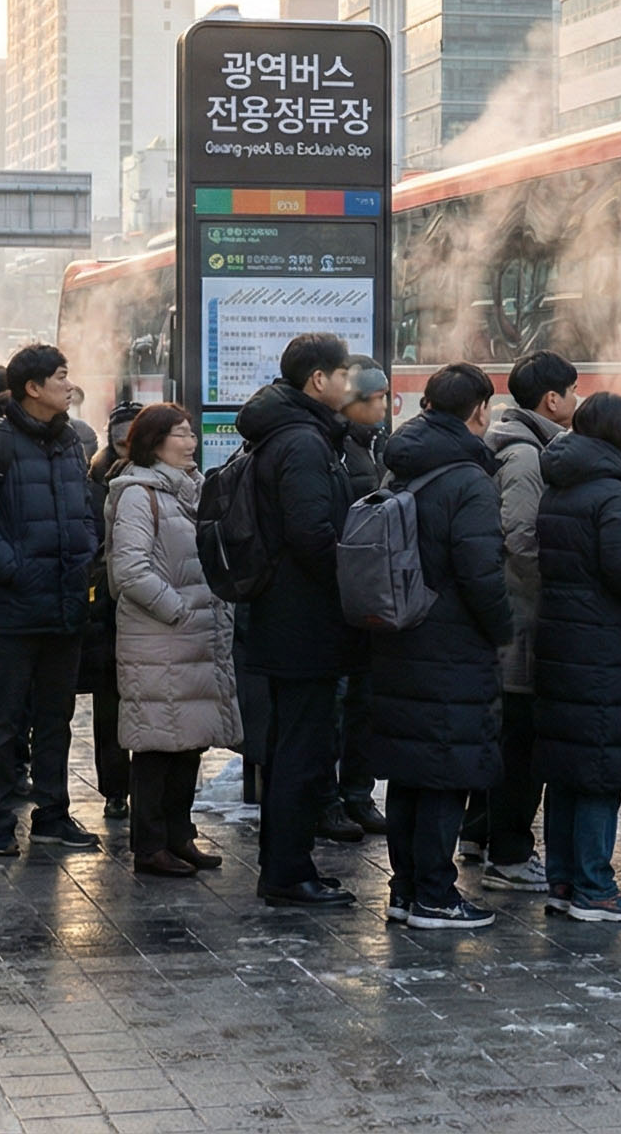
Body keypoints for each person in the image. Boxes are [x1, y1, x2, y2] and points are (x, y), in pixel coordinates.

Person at [367, 363, 512, 929]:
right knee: (447, 771)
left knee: (410, 771)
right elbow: (481, 573)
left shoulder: (401, 464)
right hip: (452, 644)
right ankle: (434, 894)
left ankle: (405, 890)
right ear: (479, 411)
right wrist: (501, 629)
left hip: (400, 633)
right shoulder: (469, 480)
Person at [0, 344, 104, 856]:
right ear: (32, 388)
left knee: (56, 718)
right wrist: (14, 570)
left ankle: (52, 814)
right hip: (10, 609)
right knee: (3, 718)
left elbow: (85, 511)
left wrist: (84, 556)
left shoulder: (71, 441)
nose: (69, 385)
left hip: (64, 601)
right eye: (61, 376)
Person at [532, 392, 621, 924]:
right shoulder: (611, 493)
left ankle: (562, 881)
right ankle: (594, 888)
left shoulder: (559, 484)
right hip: (602, 647)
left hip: (561, 640)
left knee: (566, 768)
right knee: (598, 767)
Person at [237, 333, 364, 907]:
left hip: (286, 615)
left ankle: (286, 865)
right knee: (301, 750)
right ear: (318, 380)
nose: (349, 385)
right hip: (304, 619)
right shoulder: (304, 442)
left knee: (293, 744)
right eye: (343, 374)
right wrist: (353, 579)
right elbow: (312, 535)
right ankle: (288, 872)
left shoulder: (288, 432)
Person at [106, 404, 239, 878]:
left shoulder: (190, 489)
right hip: (159, 638)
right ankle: (150, 845)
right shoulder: (138, 494)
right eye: (181, 434)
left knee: (190, 740)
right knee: (156, 744)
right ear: (154, 442)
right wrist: (177, 609)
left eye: (191, 433)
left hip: (194, 637)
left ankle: (181, 836)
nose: (191, 442)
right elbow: (130, 570)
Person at [465, 349, 577, 890]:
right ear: (552, 400)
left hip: (505, 613)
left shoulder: (508, 442)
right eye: (571, 392)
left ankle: (477, 834)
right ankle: (508, 854)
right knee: (520, 739)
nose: (576, 401)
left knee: (504, 733)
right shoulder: (529, 457)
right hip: (521, 620)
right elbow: (523, 540)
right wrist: (561, 584)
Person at [324, 359, 393, 841]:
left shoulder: (379, 445)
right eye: (379, 398)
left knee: (364, 701)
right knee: (336, 702)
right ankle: (327, 799)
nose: (386, 407)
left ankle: (357, 793)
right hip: (336, 589)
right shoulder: (336, 446)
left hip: (369, 590)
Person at [79, 402, 142, 821]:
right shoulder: (93, 483)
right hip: (106, 609)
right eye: (120, 443)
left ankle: (149, 788)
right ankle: (116, 788)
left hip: (147, 608)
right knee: (111, 703)